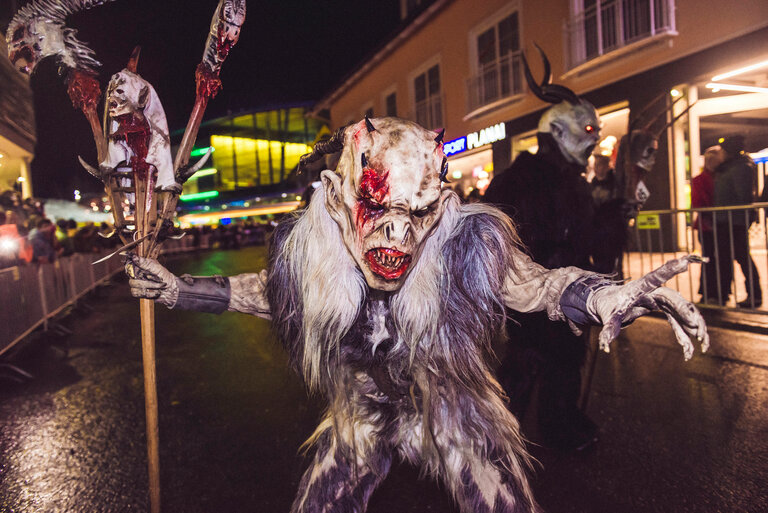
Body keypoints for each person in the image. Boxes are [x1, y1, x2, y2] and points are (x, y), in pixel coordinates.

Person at [126, 117, 707, 513]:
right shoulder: (314, 248)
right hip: (362, 409)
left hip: (447, 402)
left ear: (443, 204)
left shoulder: (460, 239)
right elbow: (267, 293)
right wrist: (180, 290)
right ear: (335, 195)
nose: (399, 233)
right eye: (377, 208)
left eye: (420, 212)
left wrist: (610, 296)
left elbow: (536, 286)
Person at [483, 50, 604, 450]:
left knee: (567, 358)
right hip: (531, 296)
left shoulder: (575, 183)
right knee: (527, 360)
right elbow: (498, 236)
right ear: (558, 131)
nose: (594, 141)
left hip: (570, 291)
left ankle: (560, 424)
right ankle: (495, 436)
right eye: (587, 130)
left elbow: (588, 237)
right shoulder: (519, 180)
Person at [713, 135, 762, 308]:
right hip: (726, 219)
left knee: (742, 257)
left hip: (734, 220)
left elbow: (743, 196)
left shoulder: (741, 167)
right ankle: (724, 293)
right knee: (728, 258)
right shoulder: (732, 167)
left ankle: (754, 295)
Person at [691, 146, 724, 303]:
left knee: (719, 259)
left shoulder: (721, 177)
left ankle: (719, 292)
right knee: (709, 259)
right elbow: (698, 202)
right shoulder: (700, 180)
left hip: (719, 223)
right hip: (707, 225)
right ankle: (708, 292)